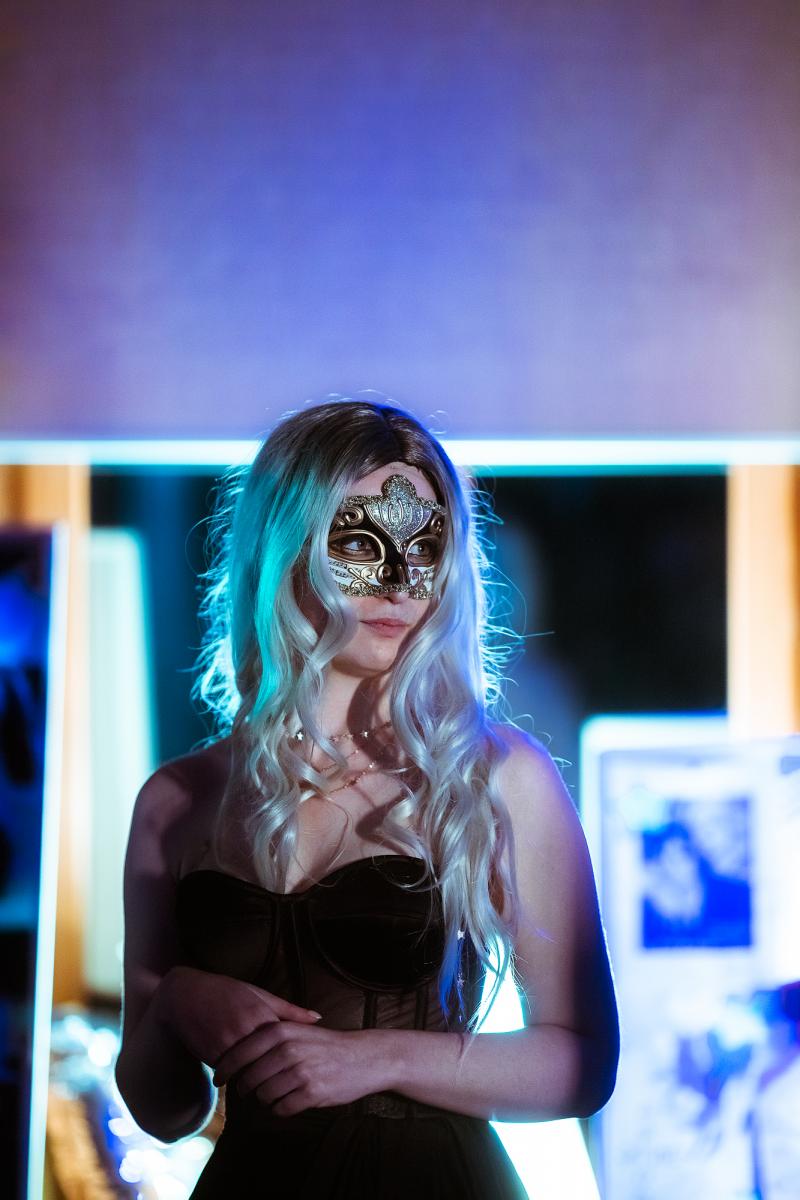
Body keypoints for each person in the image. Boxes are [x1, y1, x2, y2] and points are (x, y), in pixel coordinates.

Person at [114, 399, 619, 1199]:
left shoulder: (495, 776)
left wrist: (376, 1058)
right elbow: (165, 1112)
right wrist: (176, 1002)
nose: (398, 582)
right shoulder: (178, 801)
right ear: (286, 548)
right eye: (358, 543)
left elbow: (584, 1064)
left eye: (424, 547)